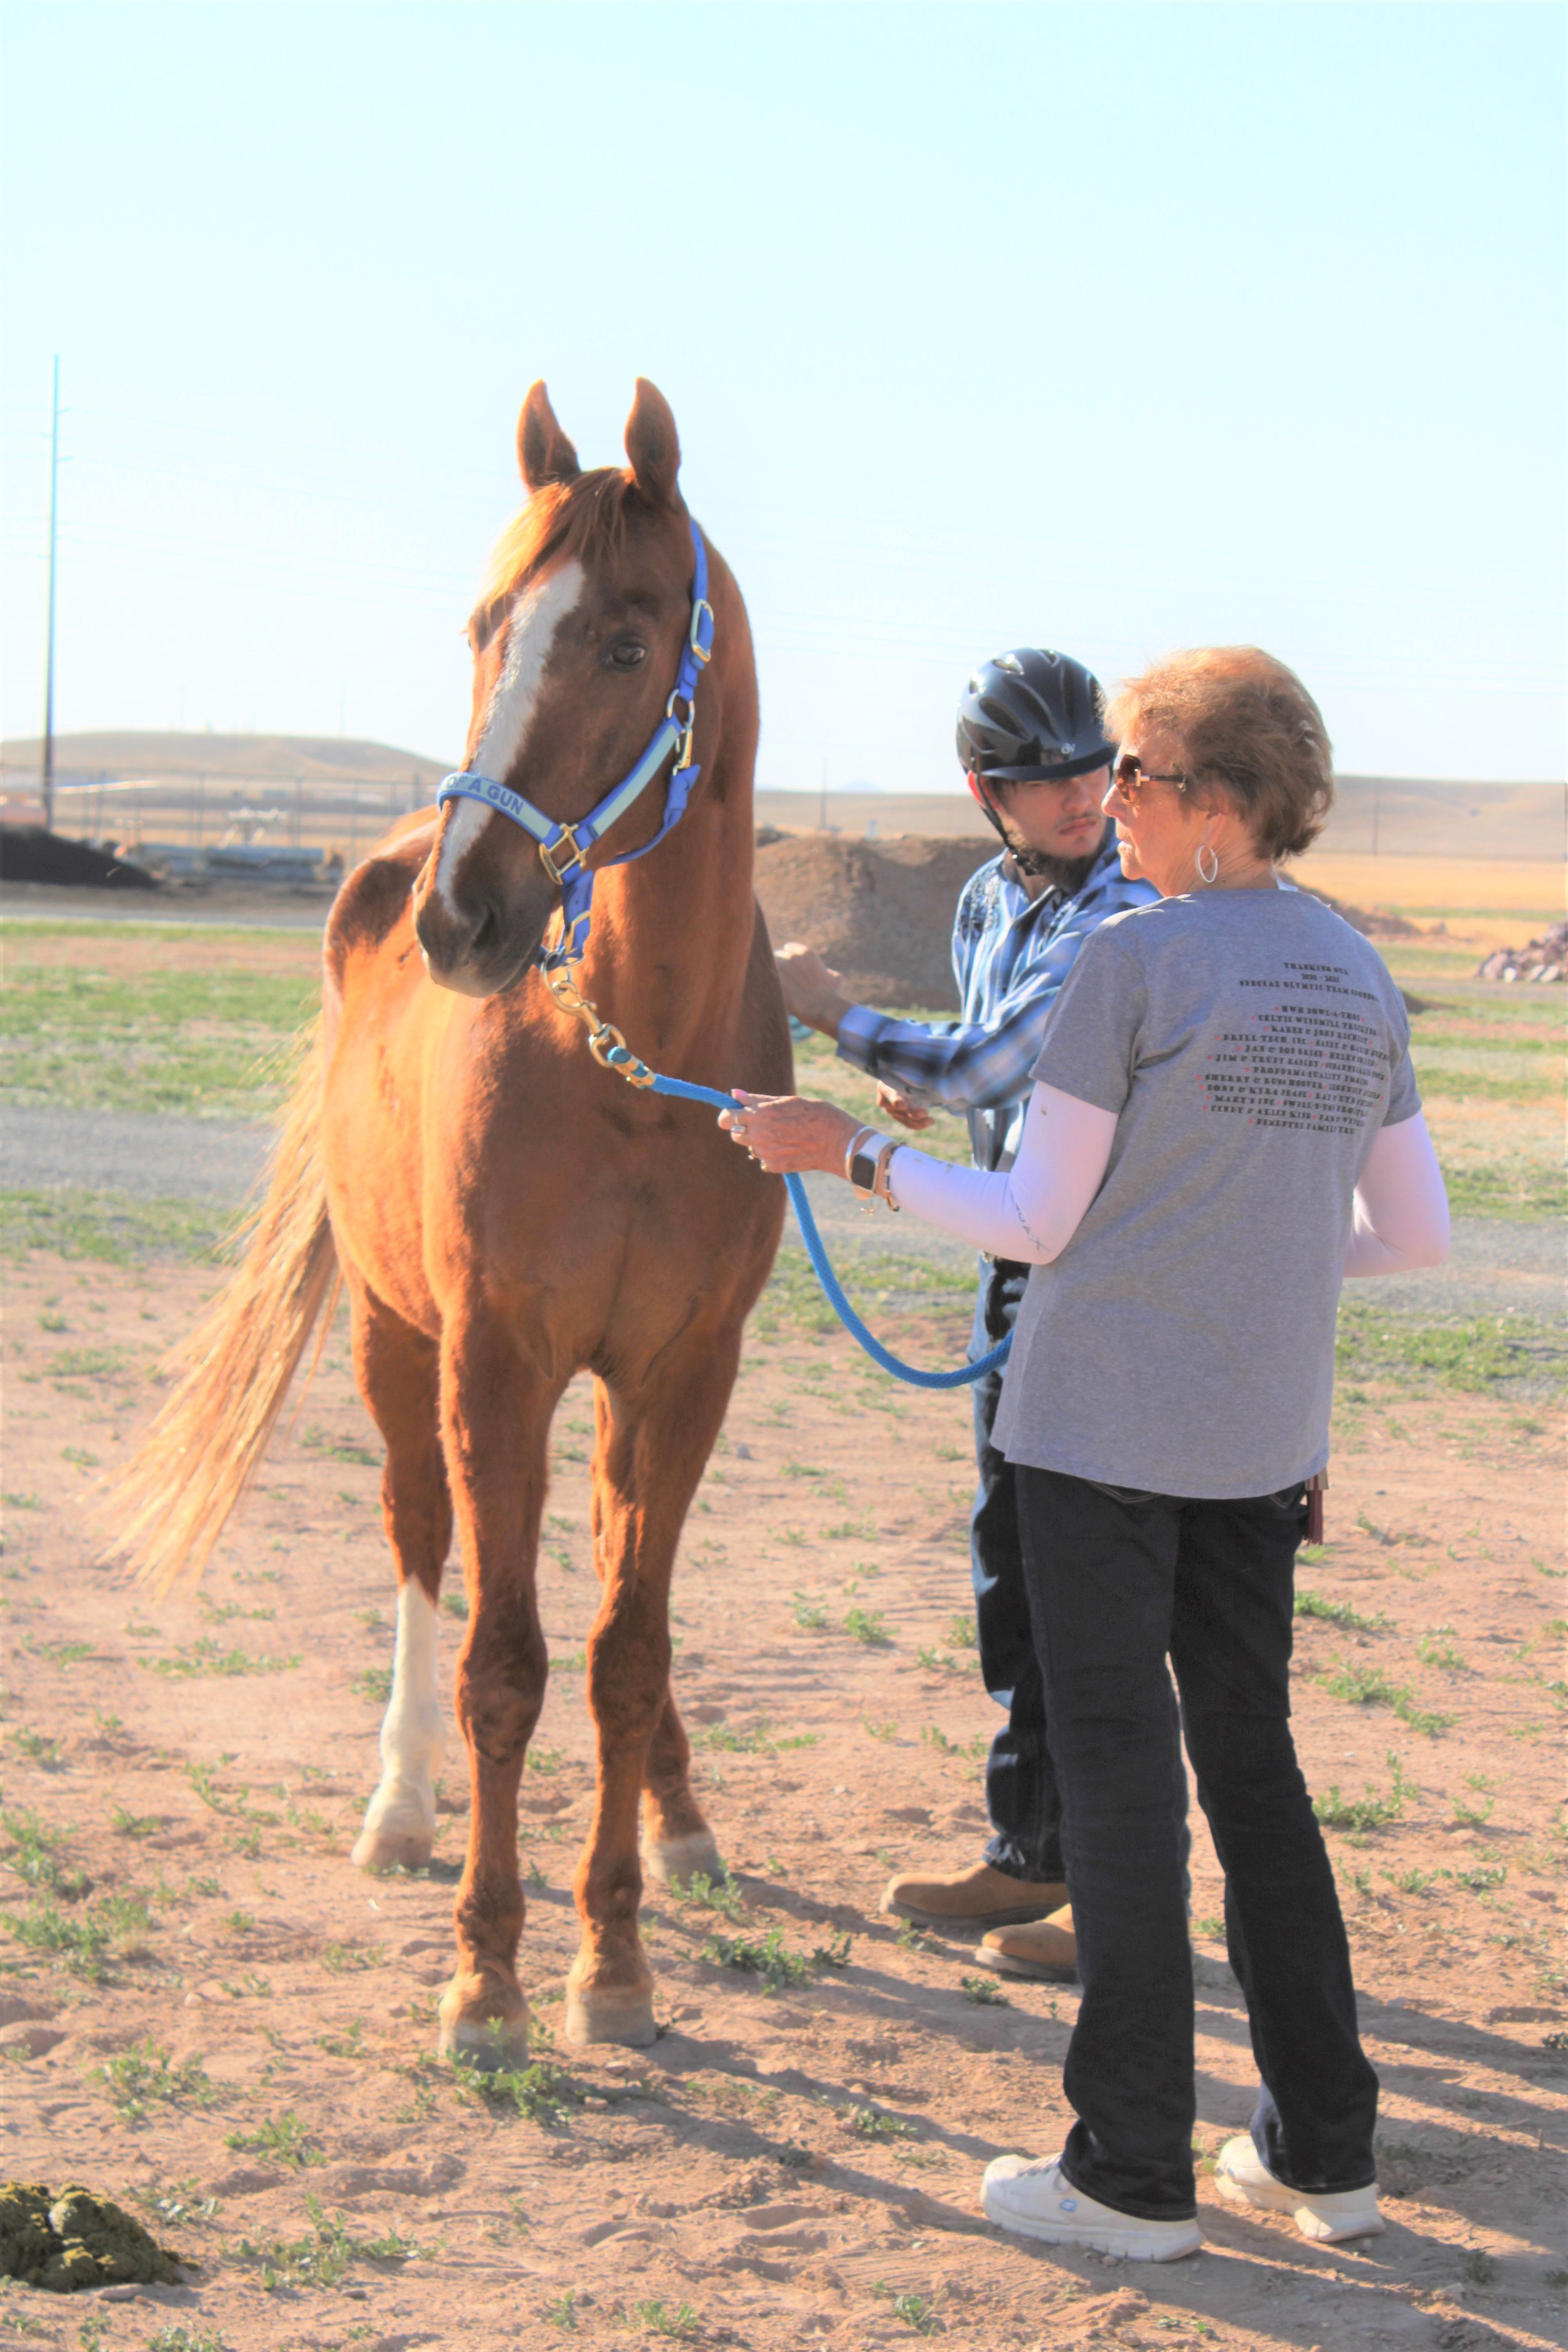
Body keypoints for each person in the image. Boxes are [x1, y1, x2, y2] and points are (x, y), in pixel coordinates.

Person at [723, 647, 1448, 2260]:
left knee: (1119, 1786)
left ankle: (1128, 2173)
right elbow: (1411, 1234)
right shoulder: (1352, 973)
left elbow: (1031, 1218)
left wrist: (836, 1149)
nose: (1102, 798)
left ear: (1210, 804)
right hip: (1262, 1450)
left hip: (1096, 1438)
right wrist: (1235, 1261)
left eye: (1131, 772)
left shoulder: (1135, 962)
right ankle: (1322, 2155)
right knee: (1252, 1778)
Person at [775, 649, 1160, 1983]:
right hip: (1016, 1257)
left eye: (1089, 767)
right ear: (981, 791)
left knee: (1093, 1585)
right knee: (1012, 1563)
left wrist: (835, 1019)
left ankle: (1108, 1901)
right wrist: (929, 1091)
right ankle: (1033, 1850)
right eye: (1040, 776)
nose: (1076, 796)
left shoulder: (1128, 909)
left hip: (1109, 1274)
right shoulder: (994, 899)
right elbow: (994, 1063)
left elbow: (1003, 1055)